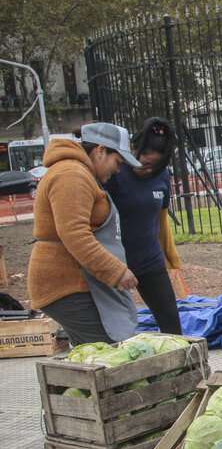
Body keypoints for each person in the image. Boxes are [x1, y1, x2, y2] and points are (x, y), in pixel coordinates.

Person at [28, 123, 142, 345]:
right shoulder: (71, 175)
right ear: (100, 150)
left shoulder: (78, 173)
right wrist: (116, 272)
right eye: (117, 161)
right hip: (66, 285)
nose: (118, 170)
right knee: (107, 351)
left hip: (76, 283)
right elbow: (75, 234)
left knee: (92, 353)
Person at [104, 117, 183, 335]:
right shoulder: (115, 173)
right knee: (119, 328)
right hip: (115, 260)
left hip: (150, 260)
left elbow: (161, 219)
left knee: (172, 326)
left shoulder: (162, 177)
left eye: (156, 166)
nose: (148, 170)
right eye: (145, 163)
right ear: (134, 151)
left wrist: (170, 256)